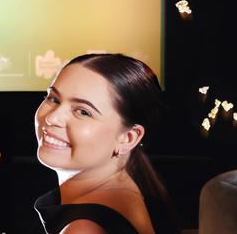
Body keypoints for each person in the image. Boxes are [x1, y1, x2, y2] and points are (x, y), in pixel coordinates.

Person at [33, 53, 179, 234]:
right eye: (54, 99)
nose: (52, 118)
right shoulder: (134, 189)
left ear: (128, 138)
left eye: (83, 112)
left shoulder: (85, 229)